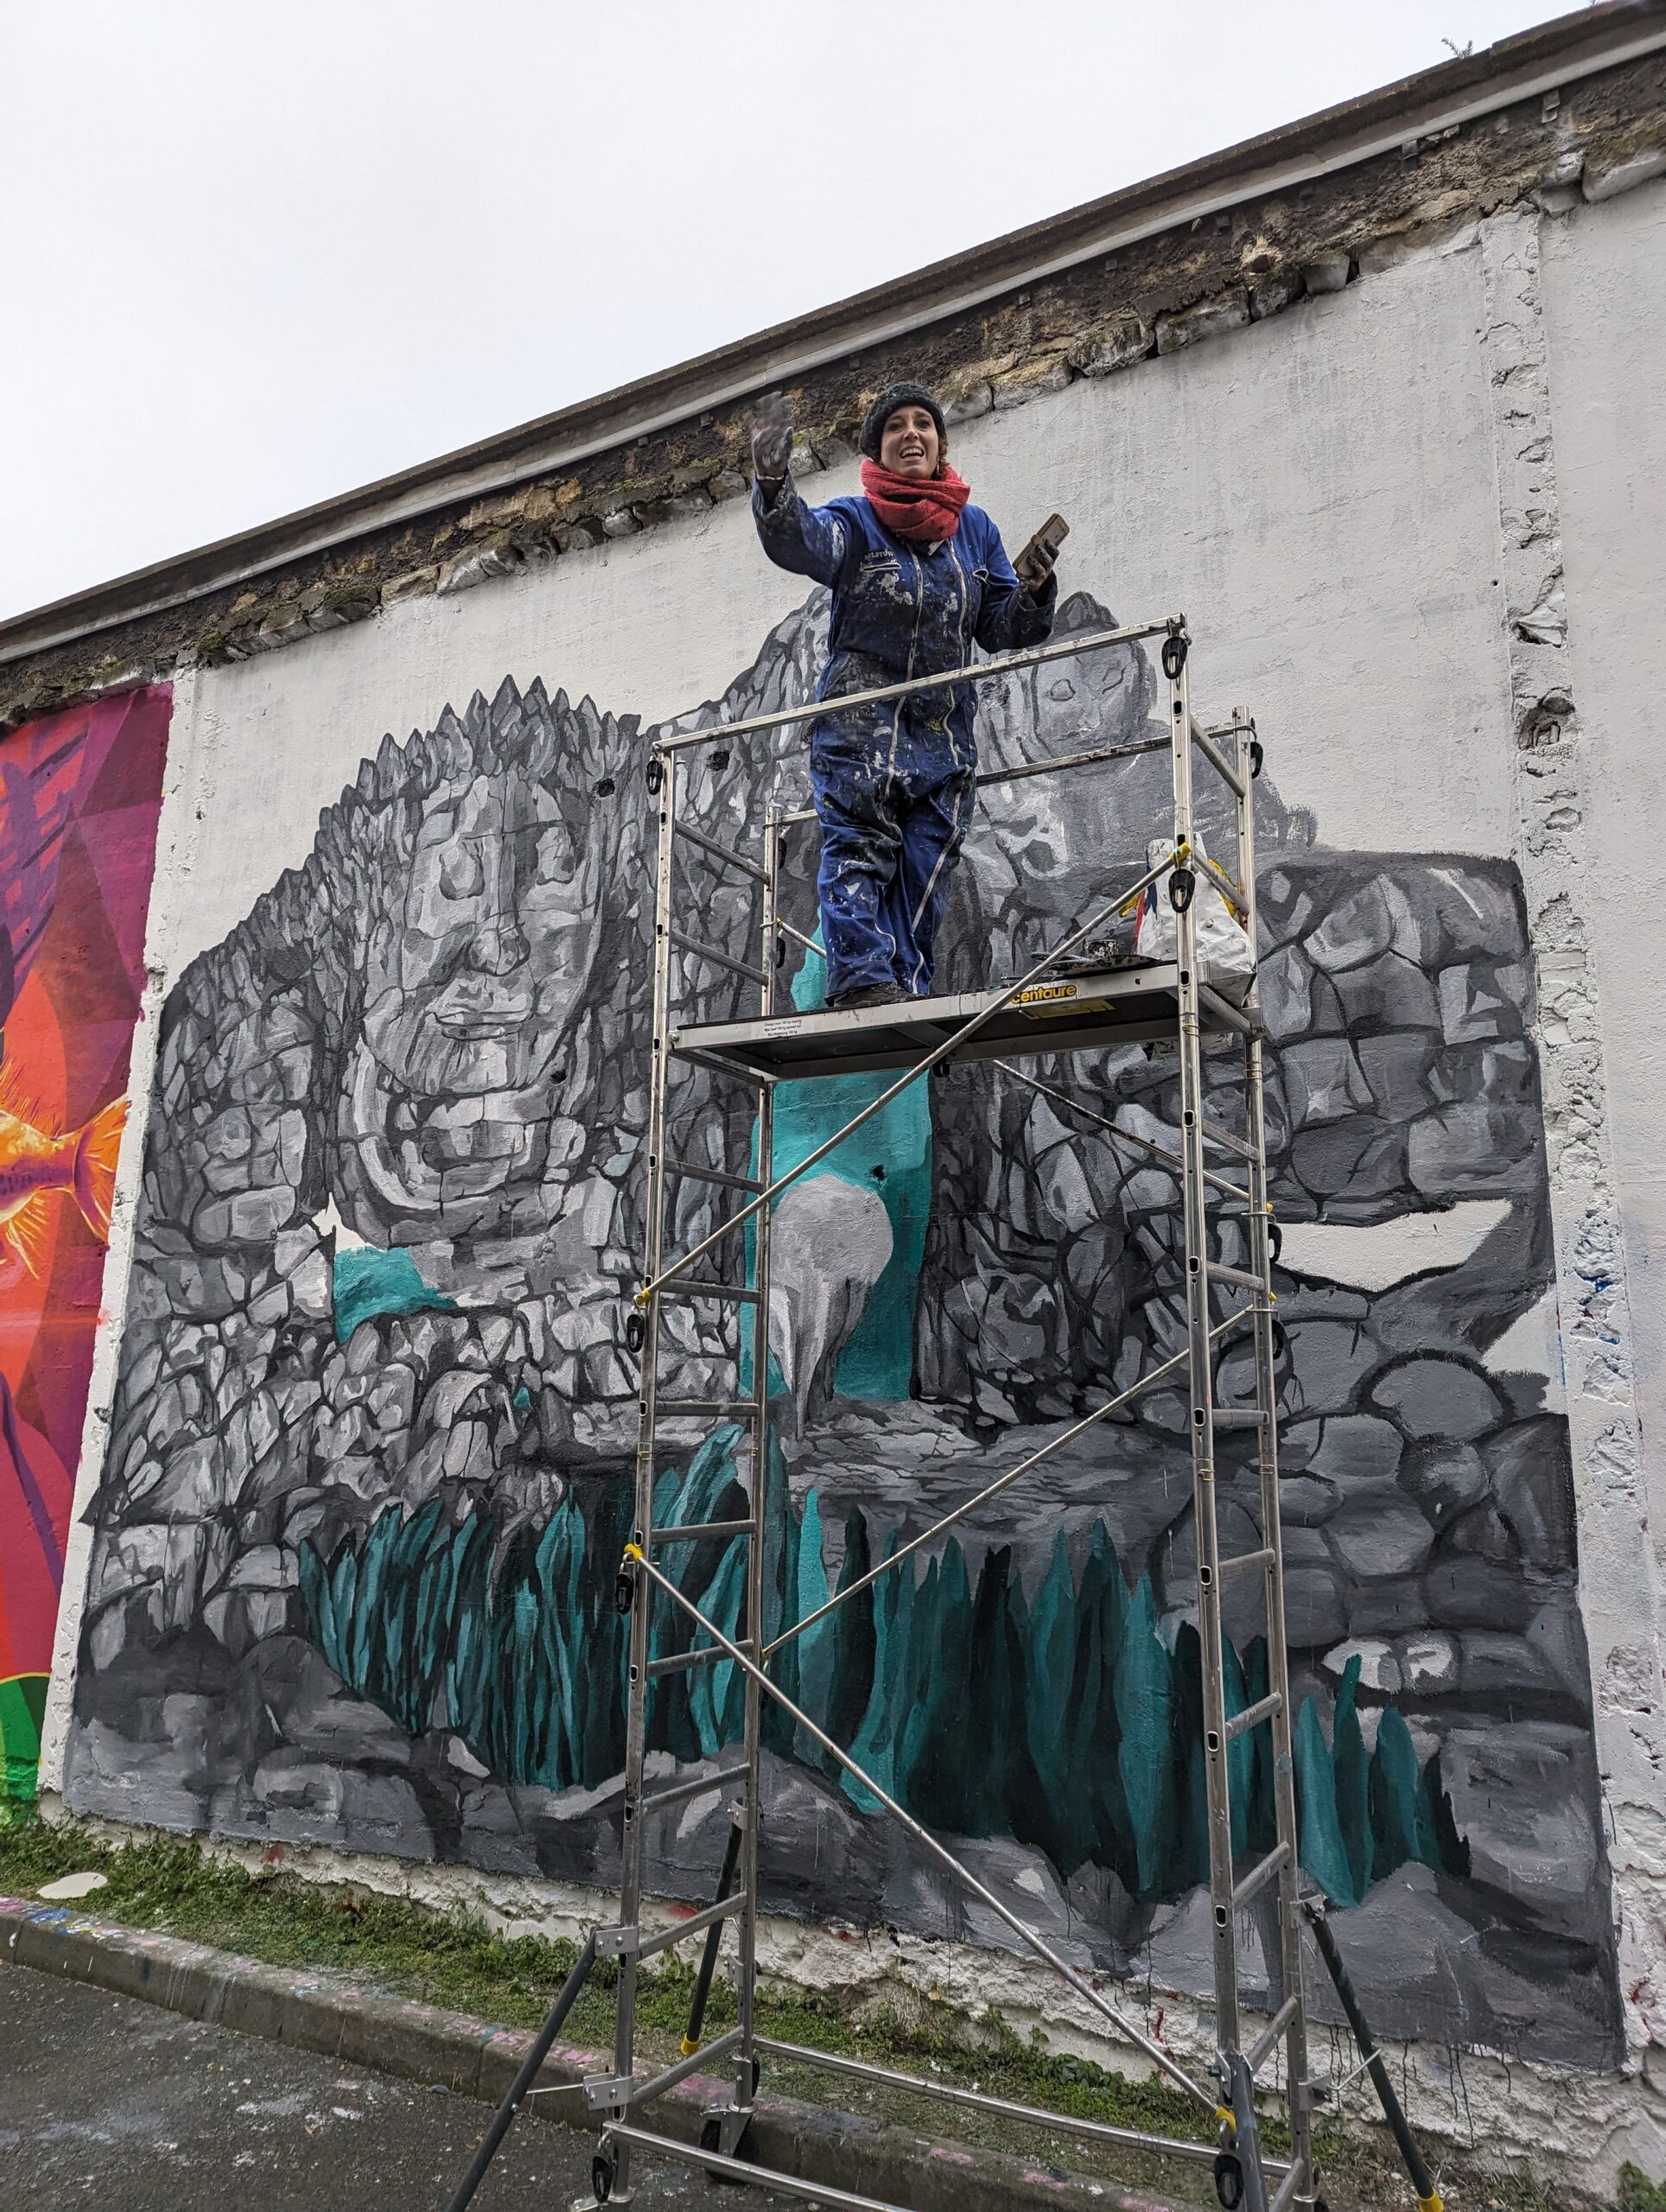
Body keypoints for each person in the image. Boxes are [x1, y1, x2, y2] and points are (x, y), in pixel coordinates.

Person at [751, 380, 1059, 1008]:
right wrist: (774, 483)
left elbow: (1001, 629)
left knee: (927, 864)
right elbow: (802, 540)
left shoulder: (975, 531)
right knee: (859, 852)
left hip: (943, 735)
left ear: (941, 443)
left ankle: (903, 990)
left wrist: (1032, 590)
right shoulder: (856, 519)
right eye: (895, 426)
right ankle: (861, 981)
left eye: (923, 423)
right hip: (860, 729)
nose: (911, 433)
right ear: (878, 449)